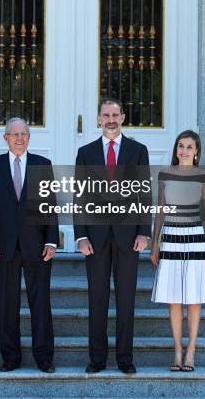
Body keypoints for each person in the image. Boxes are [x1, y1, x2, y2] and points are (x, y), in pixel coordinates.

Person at [74, 99, 152, 374]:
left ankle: (124, 359)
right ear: (98, 119)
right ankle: (96, 359)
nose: (110, 119)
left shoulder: (138, 151)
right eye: (105, 115)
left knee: (126, 300)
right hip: (94, 238)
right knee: (97, 299)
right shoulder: (85, 153)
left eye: (115, 115)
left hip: (129, 236)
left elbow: (145, 193)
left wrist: (145, 232)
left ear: (123, 117)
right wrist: (80, 236)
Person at [0, 118, 59, 373]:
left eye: (24, 134)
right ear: (5, 138)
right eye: (14, 134)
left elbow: (50, 206)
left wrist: (51, 240)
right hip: (3, 246)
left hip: (37, 245)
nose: (19, 138)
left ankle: (44, 357)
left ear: (29, 137)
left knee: (40, 303)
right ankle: (10, 356)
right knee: (6, 302)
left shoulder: (42, 165)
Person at [151, 130, 205, 372]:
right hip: (171, 239)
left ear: (196, 151)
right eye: (181, 146)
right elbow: (160, 211)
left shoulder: (203, 176)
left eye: (190, 147)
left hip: (195, 240)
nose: (184, 151)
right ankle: (177, 350)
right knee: (175, 300)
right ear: (176, 149)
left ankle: (191, 352)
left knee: (194, 299)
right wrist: (155, 243)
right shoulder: (165, 174)